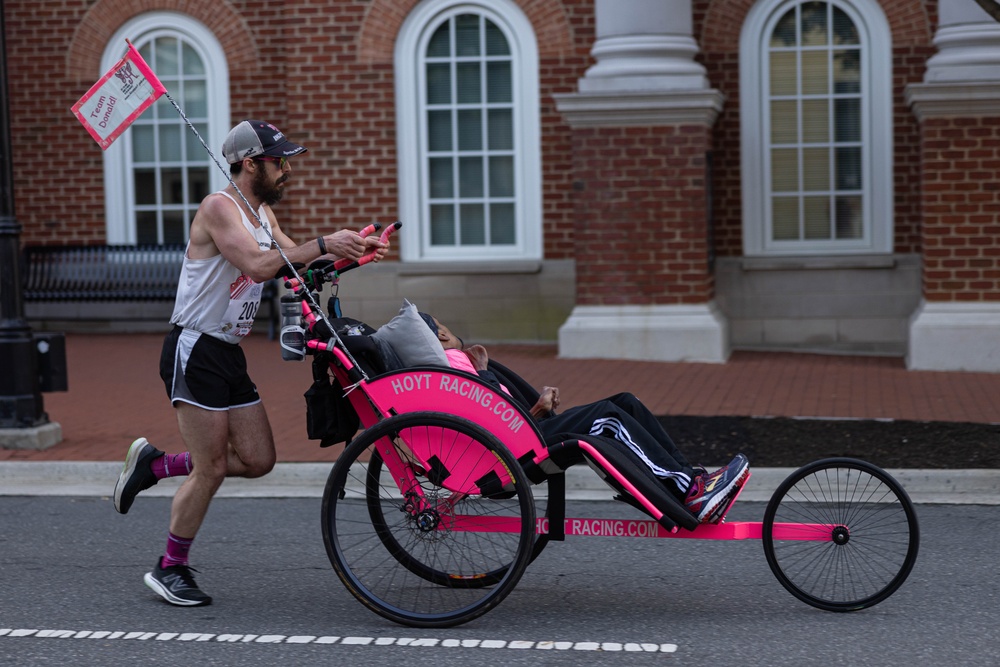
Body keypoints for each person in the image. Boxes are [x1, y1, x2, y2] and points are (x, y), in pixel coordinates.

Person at [113, 120, 388, 607]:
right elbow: (259, 266)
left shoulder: (261, 213)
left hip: (226, 352)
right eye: (278, 162)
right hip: (194, 348)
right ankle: (169, 567)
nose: (286, 171)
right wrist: (325, 241)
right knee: (212, 467)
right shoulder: (219, 208)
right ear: (248, 164)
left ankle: (156, 465)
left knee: (259, 460)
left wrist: (353, 253)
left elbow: (291, 261)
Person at [422, 315, 749, 523]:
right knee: (608, 418)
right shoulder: (453, 364)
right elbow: (490, 415)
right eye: (447, 332)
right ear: (436, 339)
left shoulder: (455, 366)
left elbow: (495, 413)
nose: (454, 337)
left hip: (522, 436)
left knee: (625, 403)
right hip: (514, 451)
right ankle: (690, 490)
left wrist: (536, 407)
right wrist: (483, 371)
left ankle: (690, 481)